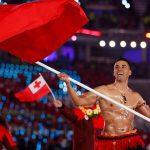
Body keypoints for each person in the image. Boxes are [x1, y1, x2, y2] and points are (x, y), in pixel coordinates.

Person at [57, 58, 150, 150]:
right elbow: (78, 101)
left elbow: (148, 116)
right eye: (116, 67)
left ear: (130, 72)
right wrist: (68, 83)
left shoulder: (136, 96)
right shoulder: (103, 91)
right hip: (109, 141)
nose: (119, 69)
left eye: (123, 66)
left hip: (130, 141)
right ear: (114, 72)